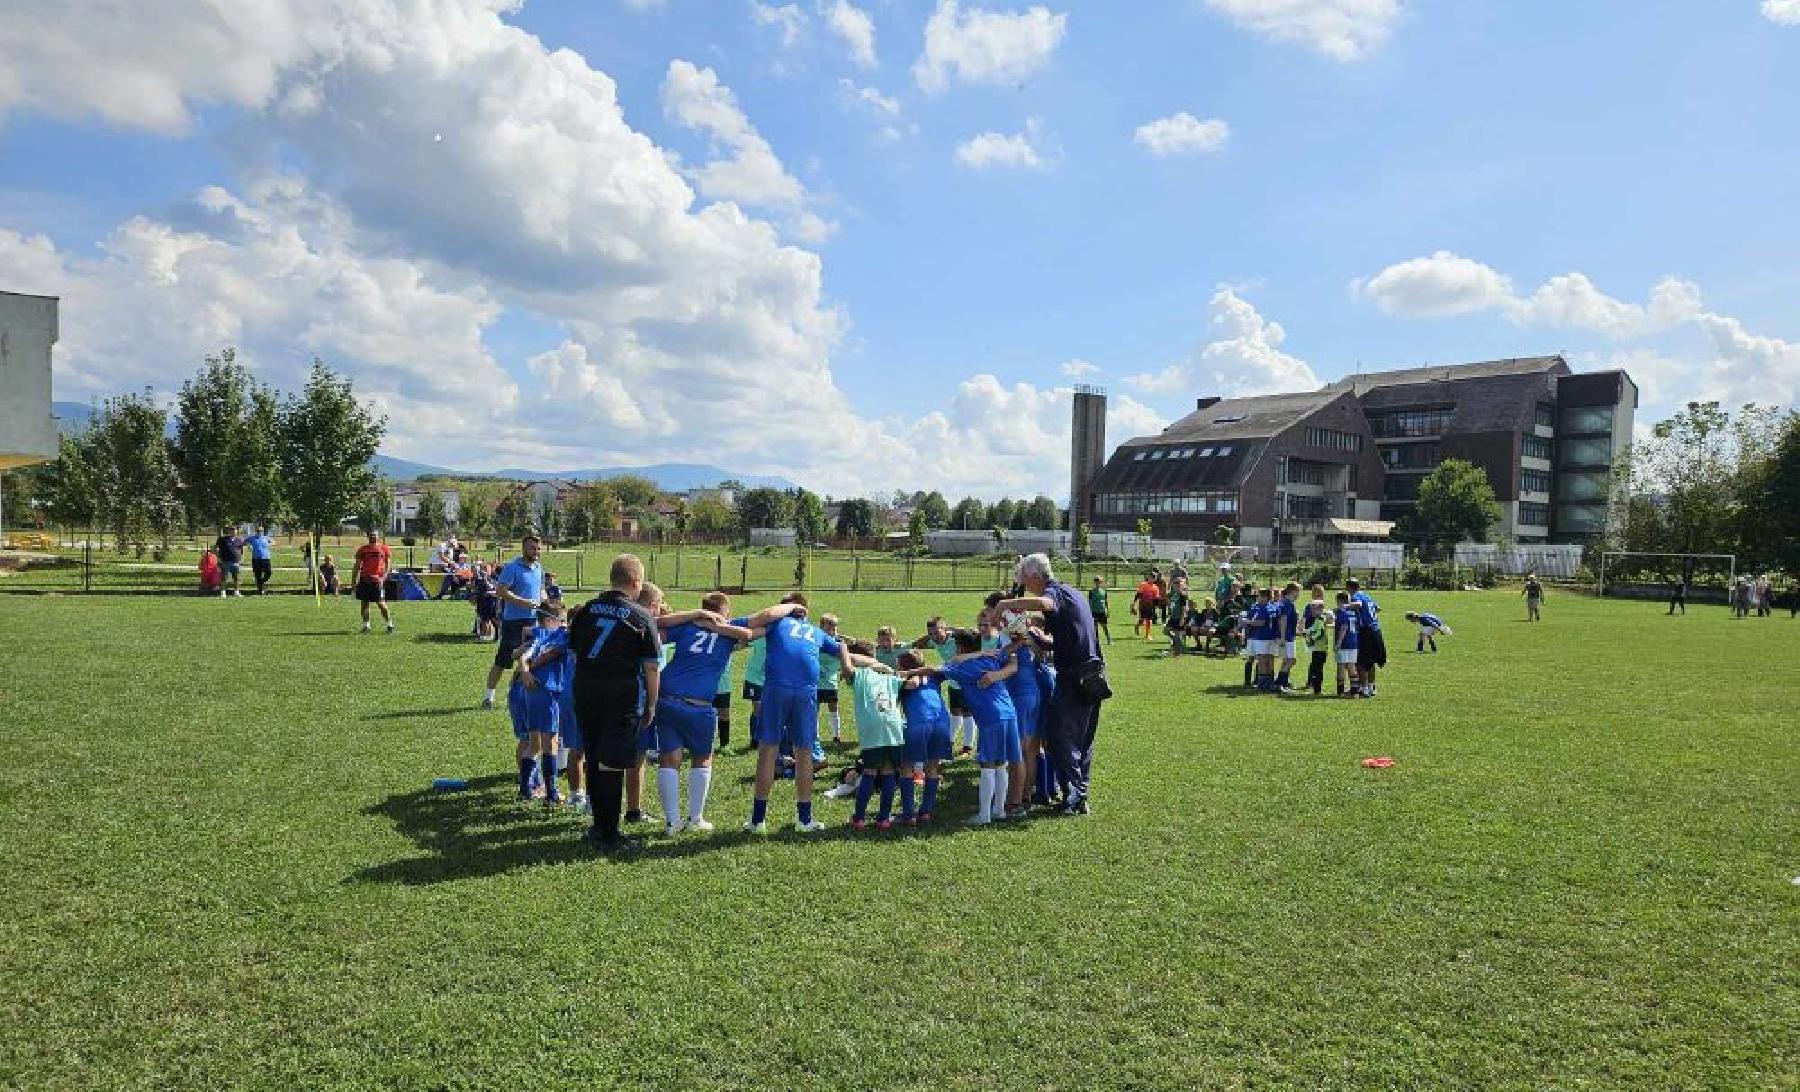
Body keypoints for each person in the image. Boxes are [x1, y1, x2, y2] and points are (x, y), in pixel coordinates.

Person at [995, 553, 1105, 816]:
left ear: (1034, 576)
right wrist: (1034, 629)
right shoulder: (1071, 592)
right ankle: (1078, 794)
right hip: (1093, 673)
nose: (1022, 583)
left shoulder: (1053, 592)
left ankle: (1076, 796)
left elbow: (1045, 602)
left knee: (1057, 736)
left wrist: (1007, 604)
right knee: (1081, 738)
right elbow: (1066, 631)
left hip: (1076, 677)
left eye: (1023, 578)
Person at [568, 554, 662, 851]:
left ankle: (598, 826)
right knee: (612, 764)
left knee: (594, 758)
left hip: (585, 692)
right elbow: (651, 668)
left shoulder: (586, 610)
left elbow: (574, 650)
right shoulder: (641, 616)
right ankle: (609, 834)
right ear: (636, 582)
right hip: (620, 697)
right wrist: (651, 705)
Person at [653, 591, 762, 836]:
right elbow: (756, 632)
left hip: (667, 697)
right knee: (702, 758)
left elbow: (657, 624)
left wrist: (695, 618)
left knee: (669, 760)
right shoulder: (731, 627)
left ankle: (672, 823)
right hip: (698, 703)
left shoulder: (686, 625)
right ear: (724, 611)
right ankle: (695, 818)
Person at [747, 593, 841, 834]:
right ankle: (804, 819)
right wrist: (859, 664)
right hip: (805, 693)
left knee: (769, 751)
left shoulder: (776, 622)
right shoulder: (815, 632)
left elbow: (751, 624)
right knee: (804, 753)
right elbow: (840, 648)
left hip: (778, 689)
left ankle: (758, 821)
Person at [906, 628, 1018, 826]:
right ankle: (999, 810)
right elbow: (1009, 656)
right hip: (1009, 713)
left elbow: (934, 671)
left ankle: (984, 815)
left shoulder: (963, 667)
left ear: (960, 647)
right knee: (1001, 763)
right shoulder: (990, 658)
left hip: (991, 717)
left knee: (987, 765)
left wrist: (906, 672)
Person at [840, 641, 906, 831]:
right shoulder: (890, 676)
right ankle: (883, 819)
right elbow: (906, 684)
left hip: (872, 729)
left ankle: (859, 818)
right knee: (888, 772)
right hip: (894, 727)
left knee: (869, 771)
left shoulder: (860, 675)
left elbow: (846, 669)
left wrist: (842, 648)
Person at [512, 602, 572, 807]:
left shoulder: (539, 634)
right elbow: (549, 654)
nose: (564, 625)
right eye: (561, 620)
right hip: (548, 689)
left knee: (534, 742)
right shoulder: (559, 636)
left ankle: (525, 789)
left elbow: (523, 652)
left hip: (531, 690)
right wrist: (527, 670)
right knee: (550, 743)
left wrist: (525, 670)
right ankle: (551, 792)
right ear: (549, 620)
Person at [484, 535, 545, 709]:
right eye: (533, 548)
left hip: (532, 621)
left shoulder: (539, 568)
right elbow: (501, 591)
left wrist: (546, 601)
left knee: (527, 660)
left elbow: (540, 591)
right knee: (503, 661)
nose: (536, 551)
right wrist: (524, 602)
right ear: (524, 548)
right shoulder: (512, 568)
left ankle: (515, 696)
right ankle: (488, 697)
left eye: (538, 548)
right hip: (513, 622)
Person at [896, 650, 951, 823]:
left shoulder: (903, 680)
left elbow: (911, 685)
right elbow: (942, 668)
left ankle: (909, 814)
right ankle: (925, 812)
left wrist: (905, 677)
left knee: (906, 766)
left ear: (903, 667)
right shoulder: (933, 676)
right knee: (933, 766)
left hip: (919, 722)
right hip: (942, 721)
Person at [350, 529, 395, 634]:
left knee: (381, 604)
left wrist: (383, 577)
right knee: (364, 604)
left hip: (377, 581)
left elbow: (388, 565)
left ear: (378, 536)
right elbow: (357, 566)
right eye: (370, 535)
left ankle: (390, 624)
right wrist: (353, 580)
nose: (372, 537)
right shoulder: (362, 549)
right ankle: (366, 626)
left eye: (374, 535)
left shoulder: (384, 548)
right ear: (368, 537)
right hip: (364, 580)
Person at [1346, 577, 1385, 697]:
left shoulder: (1355, 596)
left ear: (1348, 588)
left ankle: (1363, 688)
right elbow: (1378, 608)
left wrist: (1344, 607)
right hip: (1376, 630)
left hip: (1366, 631)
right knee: (1371, 660)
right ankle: (1372, 686)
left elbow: (1358, 604)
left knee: (1361, 662)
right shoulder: (1367, 596)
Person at [816, 613, 846, 744]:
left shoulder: (839, 643)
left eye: (834, 629)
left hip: (831, 683)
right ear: (821, 628)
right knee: (813, 711)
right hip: (816, 683)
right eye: (829, 629)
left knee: (833, 708)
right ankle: (814, 736)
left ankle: (836, 736)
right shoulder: (815, 641)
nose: (832, 632)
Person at [1332, 591, 1361, 697]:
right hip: (1354, 643)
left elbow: (1344, 627)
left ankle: (1340, 691)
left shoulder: (1342, 612)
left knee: (1340, 666)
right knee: (1351, 666)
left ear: (1339, 601)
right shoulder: (1353, 612)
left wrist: (1338, 643)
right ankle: (1355, 691)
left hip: (1344, 643)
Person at [1301, 588, 1330, 696]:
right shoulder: (1318, 619)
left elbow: (1319, 633)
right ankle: (1313, 685)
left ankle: (1316, 689)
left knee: (1317, 668)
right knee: (1315, 666)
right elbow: (1312, 629)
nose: (1312, 611)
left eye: (1314, 610)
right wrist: (1305, 632)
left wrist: (1310, 637)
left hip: (1320, 649)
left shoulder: (1320, 620)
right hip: (1318, 648)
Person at [1274, 582, 1301, 693]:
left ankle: (1280, 682)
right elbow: (1283, 620)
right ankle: (1281, 683)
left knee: (1287, 660)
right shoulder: (1287, 604)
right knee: (1291, 660)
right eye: (1298, 591)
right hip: (1287, 636)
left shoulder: (1285, 602)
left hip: (1289, 635)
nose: (1299, 594)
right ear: (1293, 591)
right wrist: (1283, 637)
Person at [212, 526, 243, 598]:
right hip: (225, 561)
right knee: (224, 578)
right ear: (229, 531)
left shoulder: (239, 540)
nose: (234, 531)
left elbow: (241, 550)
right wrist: (218, 558)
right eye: (232, 530)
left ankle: (236, 592)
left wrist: (241, 559)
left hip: (236, 562)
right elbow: (215, 548)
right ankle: (223, 593)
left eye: (235, 530)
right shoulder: (223, 539)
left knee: (236, 578)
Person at [245, 525, 275, 595]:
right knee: (257, 575)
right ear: (256, 531)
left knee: (268, 572)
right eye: (258, 531)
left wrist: (270, 544)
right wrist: (249, 545)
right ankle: (260, 590)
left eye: (261, 531)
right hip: (256, 559)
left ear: (263, 532)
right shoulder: (252, 538)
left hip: (266, 558)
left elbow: (274, 542)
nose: (260, 532)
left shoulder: (266, 538)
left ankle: (262, 582)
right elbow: (245, 541)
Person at [1131, 572, 1160, 640]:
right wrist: (1134, 603)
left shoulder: (1155, 588)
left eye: (1153, 578)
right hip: (1143, 605)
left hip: (1151, 606)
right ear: (1148, 577)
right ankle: (1137, 626)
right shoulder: (1143, 585)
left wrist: (1156, 608)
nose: (1151, 579)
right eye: (1150, 577)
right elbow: (1138, 594)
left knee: (1149, 620)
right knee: (1142, 619)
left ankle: (1147, 635)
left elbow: (1156, 599)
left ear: (1155, 579)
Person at [1088, 577, 1112, 644]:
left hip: (1102, 611)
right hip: (1094, 612)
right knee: (1095, 627)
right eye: (1098, 581)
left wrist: (1107, 610)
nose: (1099, 583)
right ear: (1095, 582)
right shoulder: (1091, 592)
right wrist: (1089, 612)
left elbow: (1106, 601)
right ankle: (1096, 641)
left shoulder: (1104, 591)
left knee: (1105, 626)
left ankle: (1109, 639)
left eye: (1100, 581)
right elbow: (1089, 602)